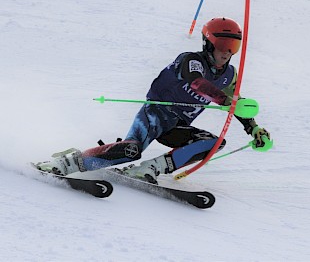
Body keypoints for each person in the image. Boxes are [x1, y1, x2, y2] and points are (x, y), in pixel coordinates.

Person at [36, 17, 271, 184]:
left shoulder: (229, 74)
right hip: (155, 115)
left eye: (233, 47)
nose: (227, 52)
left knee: (214, 143)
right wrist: (226, 101)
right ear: (208, 43)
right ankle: (67, 163)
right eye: (223, 45)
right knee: (130, 149)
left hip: (178, 125)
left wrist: (254, 128)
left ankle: (150, 169)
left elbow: (236, 102)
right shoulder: (191, 60)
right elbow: (197, 83)